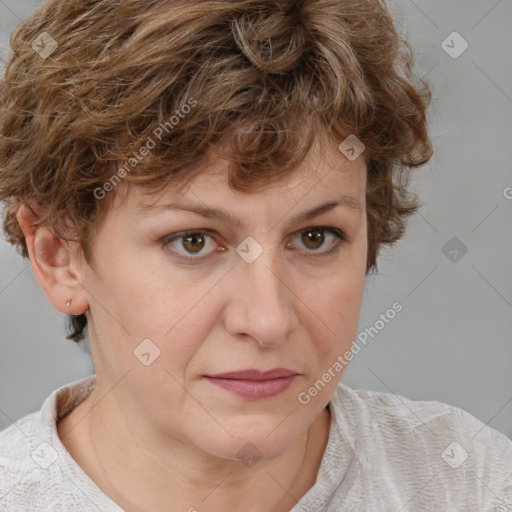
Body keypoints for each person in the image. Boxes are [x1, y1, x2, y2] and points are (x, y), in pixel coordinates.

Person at [0, 0, 511, 510]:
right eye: (193, 241)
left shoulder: (473, 485)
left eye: (316, 237)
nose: (268, 321)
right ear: (59, 257)